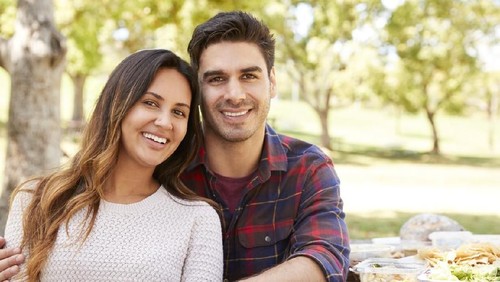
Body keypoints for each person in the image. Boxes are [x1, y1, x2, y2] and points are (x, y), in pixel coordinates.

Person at [1, 10, 350, 282]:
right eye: (216, 79)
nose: (234, 93)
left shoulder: (307, 168)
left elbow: (326, 258)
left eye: (249, 75)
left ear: (272, 82)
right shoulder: (164, 166)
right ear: (200, 91)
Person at [1, 49, 223, 281]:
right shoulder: (36, 200)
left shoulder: (198, 219)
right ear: (117, 104)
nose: (165, 122)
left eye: (179, 112)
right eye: (150, 103)